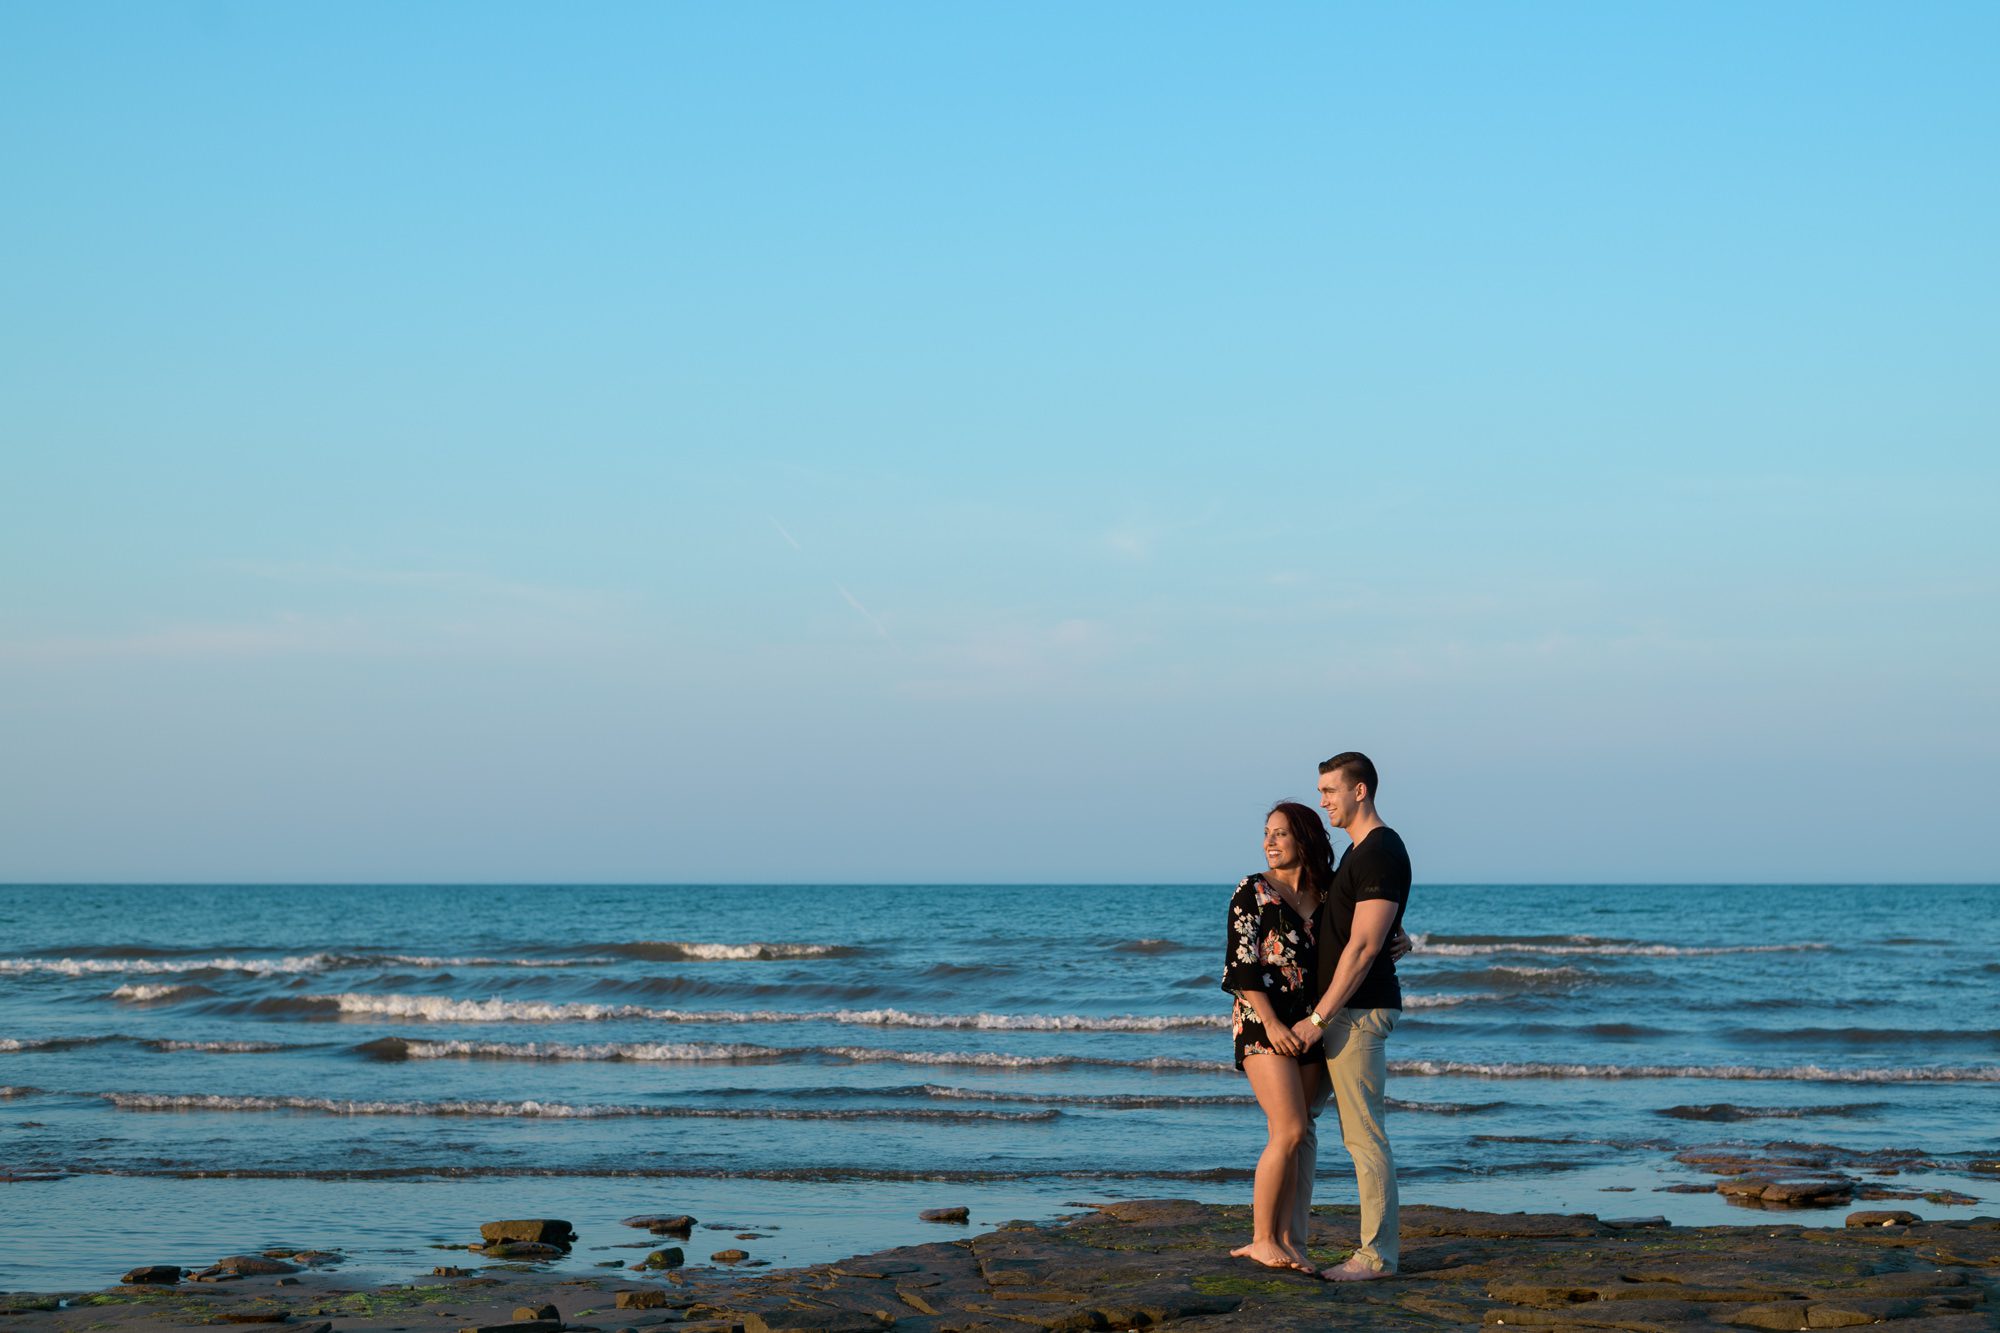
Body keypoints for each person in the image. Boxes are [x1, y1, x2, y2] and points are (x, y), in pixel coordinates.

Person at [1290, 751, 1413, 1281]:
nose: (1323, 801)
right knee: (1298, 1125)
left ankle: (1377, 1257)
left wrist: (1317, 1019)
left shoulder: (1381, 850)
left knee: (1364, 1137)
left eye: (1330, 791)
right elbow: (1362, 929)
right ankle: (1286, 1239)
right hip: (1340, 1012)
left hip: (1355, 1015)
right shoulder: (1358, 853)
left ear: (1359, 790)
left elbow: (1361, 950)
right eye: (1320, 791)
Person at [1221, 801, 1336, 1273]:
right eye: (1267, 833)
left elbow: (1365, 936)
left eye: (1281, 834)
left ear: (1304, 840)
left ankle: (1290, 1241)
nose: (1270, 842)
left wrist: (1400, 937)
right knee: (1288, 1128)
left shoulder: (1328, 896)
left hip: (1312, 1027)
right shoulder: (1252, 891)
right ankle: (1262, 1238)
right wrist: (1270, 1024)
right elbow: (1241, 966)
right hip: (1262, 1022)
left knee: (1301, 1130)